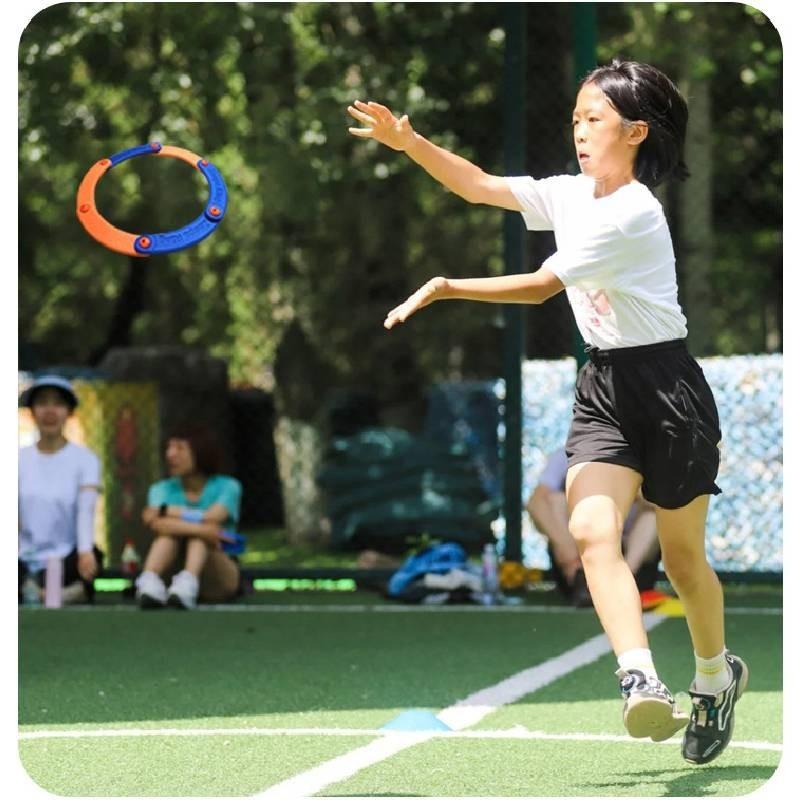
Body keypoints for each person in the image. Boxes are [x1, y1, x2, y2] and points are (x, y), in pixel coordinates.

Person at [347, 59, 747, 765]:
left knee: (684, 562)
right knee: (593, 529)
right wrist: (410, 143)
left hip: (669, 390)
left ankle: (716, 678)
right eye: (575, 119)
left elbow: (538, 288)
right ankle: (639, 677)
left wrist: (446, 285)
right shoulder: (569, 194)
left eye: (594, 119)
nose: (580, 131)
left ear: (635, 131)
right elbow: (478, 186)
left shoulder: (632, 211)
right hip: (605, 385)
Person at [528, 447, 661, 607]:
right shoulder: (566, 455)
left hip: (630, 556)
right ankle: (578, 578)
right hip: (581, 558)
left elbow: (669, 505)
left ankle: (623, 583)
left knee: (652, 514)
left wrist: (633, 489)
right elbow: (535, 503)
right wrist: (564, 544)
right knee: (556, 501)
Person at [137, 424, 244, 610]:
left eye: (179, 448)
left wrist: (167, 510)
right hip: (171, 573)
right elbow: (158, 525)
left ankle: (188, 584)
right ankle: (149, 581)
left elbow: (214, 516)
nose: (170, 454)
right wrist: (204, 529)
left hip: (217, 575)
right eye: (169, 448)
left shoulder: (228, 486)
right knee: (173, 536)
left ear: (200, 452)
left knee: (198, 539)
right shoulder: (160, 489)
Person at [18, 375, 104, 604]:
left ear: (69, 412)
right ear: (32, 411)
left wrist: (85, 552)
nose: (50, 411)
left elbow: (86, 510)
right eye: (42, 403)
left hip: (65, 556)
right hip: (22, 557)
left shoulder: (86, 460)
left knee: (94, 557)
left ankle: (56, 593)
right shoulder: (17, 458)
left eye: (57, 403)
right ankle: (35, 590)